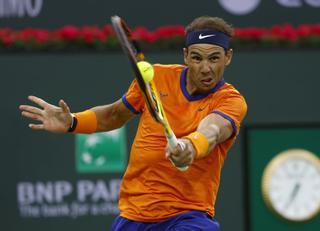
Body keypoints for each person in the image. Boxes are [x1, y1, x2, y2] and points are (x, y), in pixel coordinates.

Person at [19, 16, 247, 231]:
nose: (205, 68)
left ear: (228, 57)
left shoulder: (231, 101)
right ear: (186, 55)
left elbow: (213, 130)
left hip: (188, 215)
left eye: (214, 58)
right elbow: (113, 115)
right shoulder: (155, 78)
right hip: (134, 215)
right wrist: (73, 122)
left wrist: (189, 146)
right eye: (197, 58)